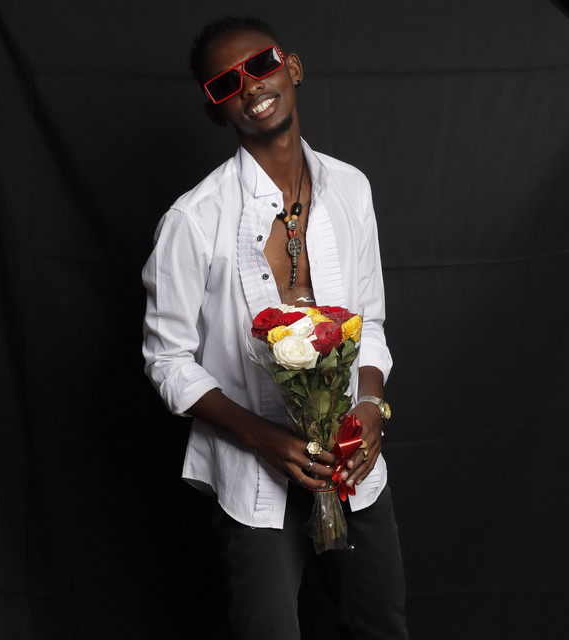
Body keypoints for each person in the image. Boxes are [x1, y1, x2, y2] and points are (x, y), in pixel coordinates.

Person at [142, 16, 408, 639]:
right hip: (255, 478)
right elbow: (167, 361)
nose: (251, 86)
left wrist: (370, 405)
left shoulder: (351, 189)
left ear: (292, 67)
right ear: (216, 110)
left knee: (380, 626)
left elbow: (369, 318)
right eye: (226, 83)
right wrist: (262, 439)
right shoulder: (193, 220)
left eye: (260, 64)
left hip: (352, 465)